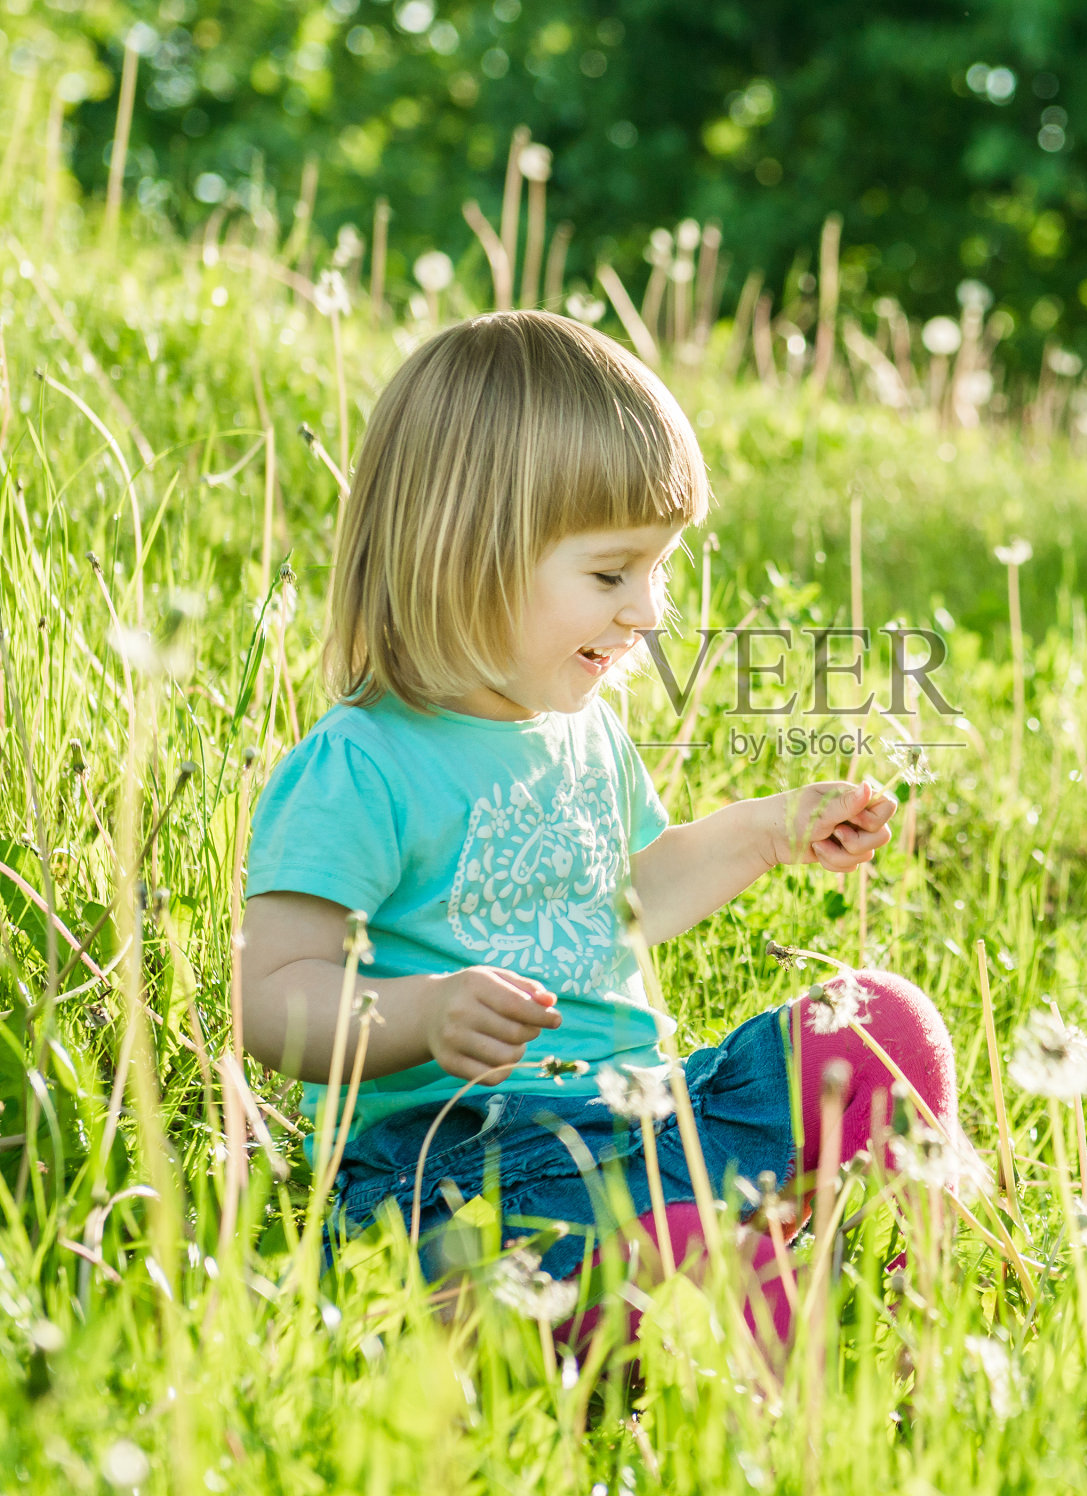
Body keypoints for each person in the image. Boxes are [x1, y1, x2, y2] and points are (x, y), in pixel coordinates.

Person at [239, 310, 960, 1347]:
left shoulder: (586, 736)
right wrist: (421, 1014)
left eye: (658, 571)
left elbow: (625, 901)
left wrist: (768, 832)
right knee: (663, 1252)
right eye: (612, 574)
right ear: (469, 553)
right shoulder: (362, 766)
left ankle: (885, 1283)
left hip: (642, 1117)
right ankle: (707, 1297)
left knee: (880, 1022)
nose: (649, 614)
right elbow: (273, 999)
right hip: (451, 1163)